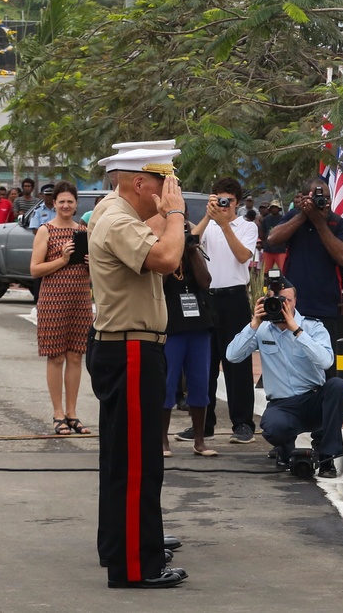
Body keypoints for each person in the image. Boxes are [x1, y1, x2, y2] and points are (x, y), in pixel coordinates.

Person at [87, 144, 188, 588]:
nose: (171, 190)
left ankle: (128, 545)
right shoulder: (115, 219)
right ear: (141, 183)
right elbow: (167, 259)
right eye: (165, 182)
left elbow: (157, 242)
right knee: (135, 463)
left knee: (130, 459)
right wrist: (178, 215)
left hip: (133, 346)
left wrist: (168, 216)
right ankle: (132, 566)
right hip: (129, 348)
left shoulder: (118, 214)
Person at [225, 276, 343, 477]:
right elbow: (232, 356)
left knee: (337, 386)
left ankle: (327, 457)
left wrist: (296, 331)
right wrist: (254, 323)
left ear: (295, 302)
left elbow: (326, 362)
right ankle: (284, 448)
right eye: (277, 300)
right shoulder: (262, 330)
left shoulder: (312, 327)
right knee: (274, 427)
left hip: (314, 399)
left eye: (287, 300)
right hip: (283, 405)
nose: (283, 305)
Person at [180, 177, 259, 445]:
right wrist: (208, 217)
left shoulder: (246, 226)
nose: (224, 205)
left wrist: (225, 224)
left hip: (234, 298)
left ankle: (243, 423)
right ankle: (204, 423)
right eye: (219, 200)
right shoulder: (208, 225)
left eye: (228, 201)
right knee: (203, 363)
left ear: (237, 202)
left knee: (237, 362)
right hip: (207, 298)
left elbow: (242, 256)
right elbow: (190, 243)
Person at [29, 181, 93, 436]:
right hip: (53, 299)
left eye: (70, 201)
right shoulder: (45, 230)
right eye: (61, 201)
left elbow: (95, 270)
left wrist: (90, 262)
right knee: (55, 356)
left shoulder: (84, 231)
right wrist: (63, 259)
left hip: (80, 298)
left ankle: (72, 413)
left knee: (76, 356)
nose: (66, 205)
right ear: (54, 203)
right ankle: (58, 414)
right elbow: (35, 269)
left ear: (76, 204)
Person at [265, 178, 343, 342]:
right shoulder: (295, 217)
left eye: (326, 198)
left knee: (324, 362)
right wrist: (304, 215)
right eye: (318, 197)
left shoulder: (338, 223)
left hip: (325, 307)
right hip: (293, 307)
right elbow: (272, 239)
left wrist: (320, 224)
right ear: (304, 198)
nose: (323, 202)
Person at [162, 214, 216, 457]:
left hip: (198, 326)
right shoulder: (163, 253)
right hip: (170, 326)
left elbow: (205, 282)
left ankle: (199, 440)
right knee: (166, 383)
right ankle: (162, 440)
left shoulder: (193, 252)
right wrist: (173, 249)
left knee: (199, 382)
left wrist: (192, 249)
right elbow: (159, 281)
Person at [259, 199, 288, 273]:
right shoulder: (266, 220)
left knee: (283, 271)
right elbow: (263, 232)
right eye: (273, 207)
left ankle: (282, 284)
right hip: (268, 249)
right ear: (270, 209)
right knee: (265, 272)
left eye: (276, 207)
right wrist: (264, 243)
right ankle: (266, 284)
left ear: (279, 209)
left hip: (281, 249)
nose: (274, 209)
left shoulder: (284, 219)